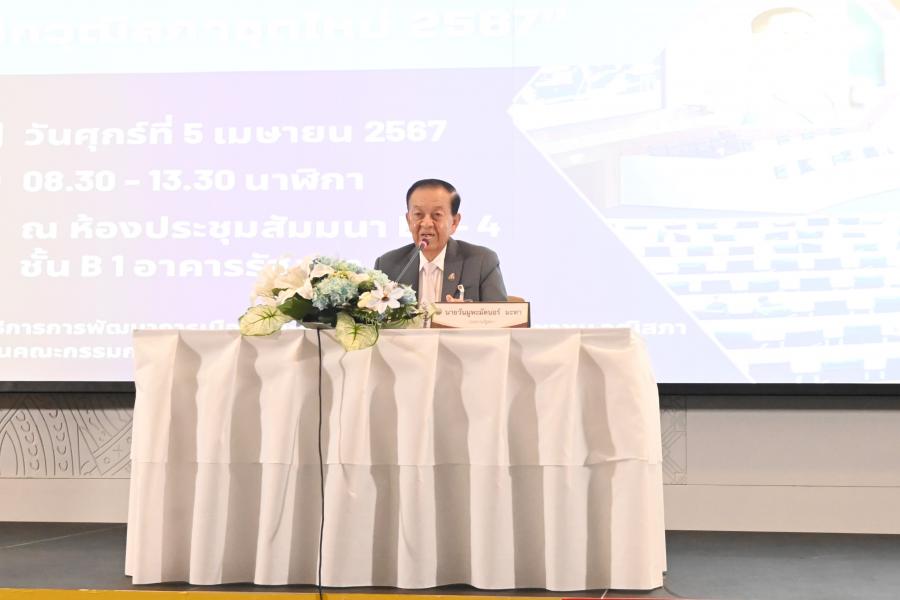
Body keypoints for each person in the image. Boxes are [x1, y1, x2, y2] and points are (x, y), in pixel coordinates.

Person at [374, 178, 507, 304]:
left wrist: (467, 314)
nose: (426, 223)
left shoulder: (481, 262)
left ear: (454, 222)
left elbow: (500, 317)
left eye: (436, 215)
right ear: (409, 220)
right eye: (418, 215)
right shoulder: (387, 265)